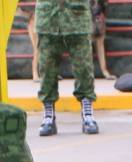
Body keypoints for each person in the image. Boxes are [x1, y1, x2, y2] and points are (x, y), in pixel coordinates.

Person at [35, 0, 100, 136]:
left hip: (77, 16)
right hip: (48, 17)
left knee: (84, 68)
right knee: (47, 68)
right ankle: (48, 114)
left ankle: (87, 112)